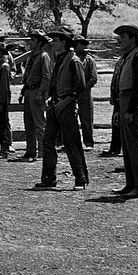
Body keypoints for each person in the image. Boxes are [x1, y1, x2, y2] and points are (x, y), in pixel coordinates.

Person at [34, 29, 89, 190]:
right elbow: (55, 82)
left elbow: (80, 86)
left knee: (72, 143)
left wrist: (65, 101)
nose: (53, 43)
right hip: (55, 105)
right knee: (48, 141)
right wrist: (51, 99)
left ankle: (80, 179)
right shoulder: (59, 59)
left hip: (67, 106)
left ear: (64, 42)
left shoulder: (74, 60)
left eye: (56, 40)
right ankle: (48, 178)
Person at [110, 24, 138, 198]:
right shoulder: (126, 58)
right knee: (127, 145)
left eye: (124, 38)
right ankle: (130, 183)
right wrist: (119, 109)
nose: (120, 41)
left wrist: (131, 110)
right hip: (124, 100)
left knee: (136, 144)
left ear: (133, 39)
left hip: (133, 102)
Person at [15, 30, 51, 162]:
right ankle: (30, 150)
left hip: (37, 91)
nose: (30, 42)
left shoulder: (44, 56)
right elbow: (28, 76)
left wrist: (41, 93)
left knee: (39, 123)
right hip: (29, 91)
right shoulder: (31, 56)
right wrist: (23, 92)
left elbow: (46, 77)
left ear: (40, 43)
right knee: (28, 123)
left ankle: (42, 151)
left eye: (33, 40)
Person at [72, 34, 98, 150]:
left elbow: (93, 78)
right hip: (71, 94)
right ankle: (72, 142)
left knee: (86, 119)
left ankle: (88, 143)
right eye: (76, 44)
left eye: (80, 44)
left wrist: (83, 88)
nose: (77, 46)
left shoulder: (89, 60)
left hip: (84, 94)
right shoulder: (70, 59)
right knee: (70, 119)